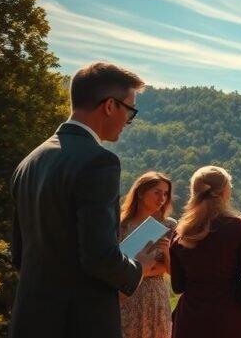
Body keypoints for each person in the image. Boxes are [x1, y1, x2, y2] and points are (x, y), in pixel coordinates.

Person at [10, 62, 163, 338]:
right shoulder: (99, 162)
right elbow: (100, 257)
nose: (129, 122)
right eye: (130, 111)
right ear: (109, 106)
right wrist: (138, 268)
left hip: (30, 320)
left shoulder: (29, 162)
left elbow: (20, 255)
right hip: (81, 323)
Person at [170, 166, 241, 338]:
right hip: (231, 320)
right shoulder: (238, 228)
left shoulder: (182, 234)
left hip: (190, 321)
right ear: (224, 191)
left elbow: (178, 286)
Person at [120, 172, 177, 338]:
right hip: (127, 295)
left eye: (165, 194)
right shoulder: (120, 225)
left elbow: (173, 270)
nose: (162, 198)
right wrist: (144, 270)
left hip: (155, 295)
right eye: (157, 192)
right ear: (140, 193)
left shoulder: (169, 225)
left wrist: (164, 255)